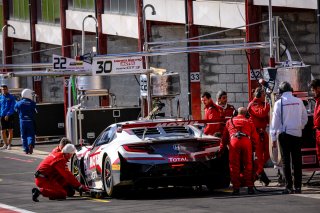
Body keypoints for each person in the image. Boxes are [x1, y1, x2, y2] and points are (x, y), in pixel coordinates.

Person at [270, 81, 308, 194]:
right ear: (291, 90)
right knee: (297, 161)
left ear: (280, 91)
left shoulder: (278, 103)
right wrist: (298, 127)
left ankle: (289, 187)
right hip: (296, 134)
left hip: (284, 135)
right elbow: (304, 118)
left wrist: (273, 138)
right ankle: (298, 187)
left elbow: (274, 123)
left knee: (286, 162)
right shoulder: (298, 101)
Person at [220, 107, 259, 195]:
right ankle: (250, 187)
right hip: (246, 141)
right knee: (248, 165)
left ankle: (236, 188)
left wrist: (221, 149)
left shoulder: (230, 121)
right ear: (246, 114)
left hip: (234, 141)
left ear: (235, 113)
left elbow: (224, 138)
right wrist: (254, 148)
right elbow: (255, 138)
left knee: (234, 166)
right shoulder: (249, 121)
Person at [247, 86, 271, 186]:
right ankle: (256, 176)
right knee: (259, 158)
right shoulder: (253, 104)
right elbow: (261, 114)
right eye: (263, 94)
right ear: (258, 95)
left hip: (263, 133)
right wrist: (268, 105)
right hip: (256, 134)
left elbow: (267, 118)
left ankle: (259, 173)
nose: (265, 96)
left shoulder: (262, 103)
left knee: (268, 154)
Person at [14, 89, 37, 154]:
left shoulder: (19, 103)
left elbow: (15, 109)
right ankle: (31, 144)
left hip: (22, 121)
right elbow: (35, 111)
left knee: (23, 135)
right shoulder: (32, 103)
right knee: (31, 134)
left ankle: (25, 149)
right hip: (30, 120)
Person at [0, 84, 16, 150]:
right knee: (2, 131)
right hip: (2, 115)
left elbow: (12, 107)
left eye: (5, 89)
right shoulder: (0, 97)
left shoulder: (11, 97)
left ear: (7, 89)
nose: (4, 90)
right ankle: (5, 144)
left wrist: (8, 114)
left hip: (10, 116)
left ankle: (9, 145)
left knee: (10, 130)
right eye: (2, 89)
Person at [310, 79, 320, 163]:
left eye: (313, 90)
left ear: (318, 88)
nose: (313, 92)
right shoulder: (317, 100)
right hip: (318, 131)